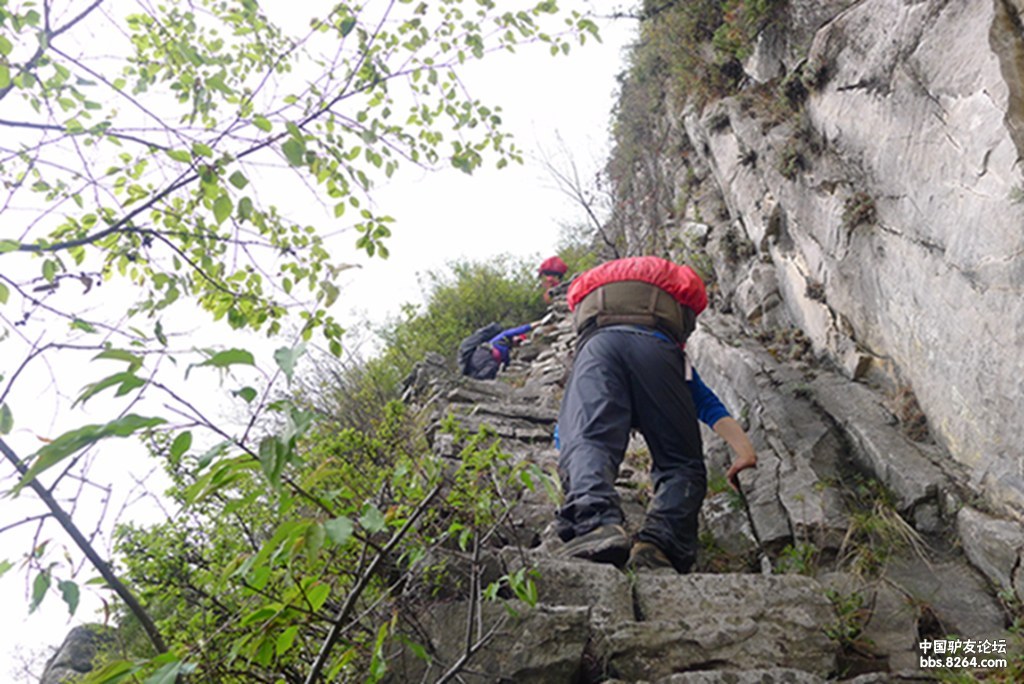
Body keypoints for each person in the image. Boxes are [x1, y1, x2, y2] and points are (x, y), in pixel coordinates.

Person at [554, 256, 757, 573]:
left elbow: (569, 435)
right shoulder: (672, 350)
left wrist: (570, 463)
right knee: (681, 462)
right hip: (657, 352)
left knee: (587, 441)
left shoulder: (593, 345)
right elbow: (706, 402)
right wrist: (744, 451)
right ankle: (658, 545)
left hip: (597, 349)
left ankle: (596, 526)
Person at [461, 320, 544, 380]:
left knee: (491, 369)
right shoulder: (504, 335)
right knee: (491, 367)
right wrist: (538, 323)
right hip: (482, 354)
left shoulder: (507, 351)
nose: (517, 342)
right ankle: (473, 381)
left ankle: (474, 381)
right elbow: (521, 329)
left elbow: (506, 365)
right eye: (518, 339)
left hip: (487, 361)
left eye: (519, 342)